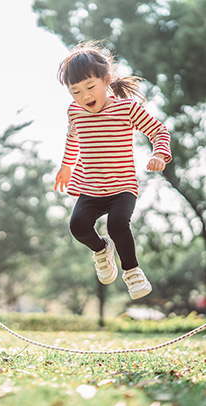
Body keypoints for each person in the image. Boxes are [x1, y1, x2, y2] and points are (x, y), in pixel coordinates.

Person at [54, 41, 171, 300]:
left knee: (118, 224)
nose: (84, 96)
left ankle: (132, 271)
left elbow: (159, 131)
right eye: (76, 91)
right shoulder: (75, 112)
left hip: (122, 186)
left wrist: (159, 153)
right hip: (90, 186)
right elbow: (73, 139)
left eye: (90, 87)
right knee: (78, 226)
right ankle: (101, 248)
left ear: (106, 80)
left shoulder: (125, 109)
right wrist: (65, 166)